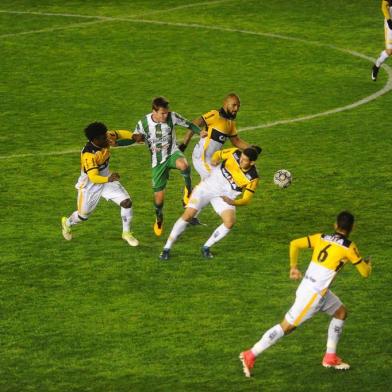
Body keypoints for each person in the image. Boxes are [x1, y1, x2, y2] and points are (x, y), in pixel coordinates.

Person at [239, 211, 372, 377]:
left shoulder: (321, 237)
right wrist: (368, 264)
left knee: (341, 312)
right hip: (313, 295)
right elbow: (365, 273)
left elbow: (294, 243)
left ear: (335, 225)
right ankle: (250, 354)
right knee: (286, 327)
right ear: (352, 228)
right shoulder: (349, 247)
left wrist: (293, 266)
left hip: (316, 290)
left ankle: (330, 356)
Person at [159, 146, 262, 260]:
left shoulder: (253, 177)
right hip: (207, 187)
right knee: (188, 215)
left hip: (224, 197)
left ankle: (206, 247)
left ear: (252, 162)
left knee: (230, 222)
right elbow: (218, 154)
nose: (240, 161)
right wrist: (214, 160)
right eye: (241, 158)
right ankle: (166, 248)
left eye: (244, 160)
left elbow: (246, 200)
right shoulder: (234, 153)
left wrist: (233, 202)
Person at [61, 122, 139, 246]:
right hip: (90, 186)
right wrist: (109, 179)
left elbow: (119, 133)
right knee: (83, 216)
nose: (107, 138)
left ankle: (127, 233)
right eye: (104, 137)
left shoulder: (104, 137)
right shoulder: (89, 155)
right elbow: (93, 177)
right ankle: (67, 222)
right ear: (95, 140)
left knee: (126, 202)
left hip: (107, 179)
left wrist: (133, 136)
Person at [133, 96, 201, 236]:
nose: (165, 115)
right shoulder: (143, 123)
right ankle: (159, 219)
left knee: (184, 165)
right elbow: (134, 136)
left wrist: (201, 132)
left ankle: (188, 191)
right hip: (158, 163)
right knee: (159, 200)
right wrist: (135, 138)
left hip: (172, 153)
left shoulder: (172, 116)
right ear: (154, 111)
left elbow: (189, 124)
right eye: (162, 113)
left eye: (166, 112)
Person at [179, 93, 250, 180]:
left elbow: (236, 141)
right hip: (202, 157)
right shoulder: (215, 115)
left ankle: (190, 193)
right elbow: (195, 124)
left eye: (238, 106)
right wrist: (184, 144)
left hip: (212, 160)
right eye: (234, 105)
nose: (236, 109)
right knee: (216, 181)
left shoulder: (230, 123)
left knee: (214, 185)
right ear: (225, 103)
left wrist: (251, 149)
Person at [372, 0, 392, 80]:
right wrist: (389, 20)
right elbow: (384, 6)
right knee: (390, 51)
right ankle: (377, 65)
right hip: (391, 21)